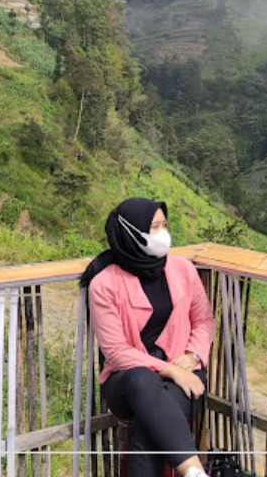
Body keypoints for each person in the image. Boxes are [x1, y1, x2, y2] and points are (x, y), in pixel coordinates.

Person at [81, 197, 216, 477]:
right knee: (143, 379)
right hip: (127, 382)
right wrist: (168, 371)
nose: (163, 233)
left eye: (165, 225)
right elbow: (116, 352)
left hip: (185, 373)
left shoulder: (182, 270)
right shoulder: (104, 284)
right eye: (154, 227)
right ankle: (194, 470)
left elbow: (204, 321)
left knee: (150, 422)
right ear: (132, 231)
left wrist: (193, 356)